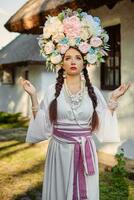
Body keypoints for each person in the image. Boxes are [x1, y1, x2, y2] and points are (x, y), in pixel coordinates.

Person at [20, 9, 131, 200]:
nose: (73, 61)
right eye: (67, 58)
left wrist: (113, 99)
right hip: (59, 153)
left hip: (85, 152)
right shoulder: (52, 92)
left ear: (85, 62)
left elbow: (102, 125)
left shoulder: (93, 92)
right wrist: (33, 96)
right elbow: (43, 127)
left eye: (78, 57)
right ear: (60, 63)